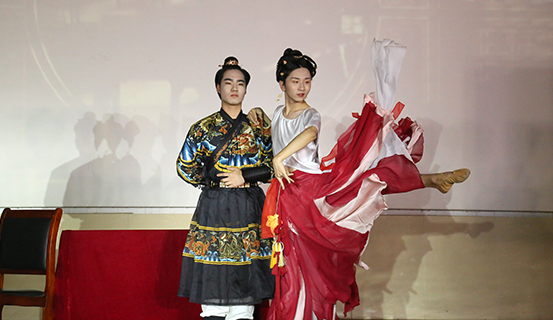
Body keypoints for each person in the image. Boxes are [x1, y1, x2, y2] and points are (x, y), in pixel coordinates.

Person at [251, 42, 470, 320]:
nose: (302, 87)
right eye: (295, 81)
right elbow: (274, 131)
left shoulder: (310, 114)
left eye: (307, 81)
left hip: (311, 193)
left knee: (366, 180)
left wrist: (280, 157)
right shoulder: (276, 114)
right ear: (282, 84)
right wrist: (255, 112)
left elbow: (309, 134)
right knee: (292, 266)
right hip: (287, 197)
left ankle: (431, 179)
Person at [176, 57, 275, 320]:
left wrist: (245, 175)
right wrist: (214, 182)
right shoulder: (203, 128)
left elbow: (274, 166)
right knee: (213, 273)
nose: (234, 88)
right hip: (215, 206)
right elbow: (184, 166)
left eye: (240, 83)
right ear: (218, 88)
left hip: (249, 205)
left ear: (246, 89)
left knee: (246, 281)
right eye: (228, 82)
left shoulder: (258, 127)